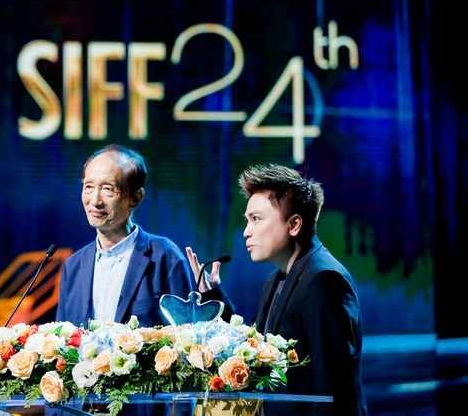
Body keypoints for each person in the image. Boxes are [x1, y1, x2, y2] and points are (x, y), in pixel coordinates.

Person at [189, 164, 367, 416]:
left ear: (294, 224)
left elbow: (331, 391)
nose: (246, 232)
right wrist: (213, 296)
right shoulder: (276, 279)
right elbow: (254, 352)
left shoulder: (325, 281)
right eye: (247, 220)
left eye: (256, 219)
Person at [55, 144, 196, 327]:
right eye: (88, 187)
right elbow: (63, 338)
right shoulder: (73, 266)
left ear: (136, 198)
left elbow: (188, 333)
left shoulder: (164, 257)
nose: (95, 201)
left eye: (108, 189)